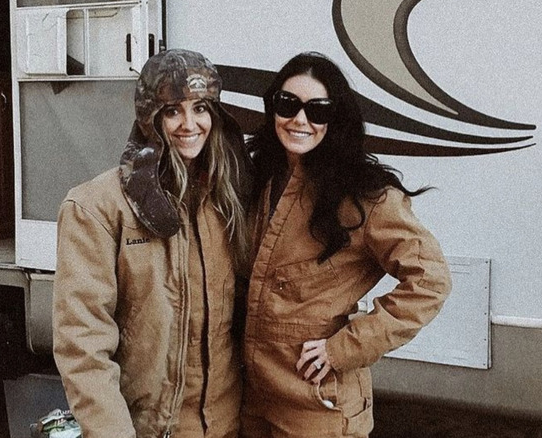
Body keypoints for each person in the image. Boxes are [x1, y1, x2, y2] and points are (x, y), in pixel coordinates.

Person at [240, 52, 453, 438]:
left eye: (317, 110)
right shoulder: (258, 178)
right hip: (251, 399)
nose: (299, 120)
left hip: (317, 406)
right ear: (272, 108)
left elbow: (430, 282)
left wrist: (343, 349)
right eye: (288, 105)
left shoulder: (366, 197)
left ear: (335, 118)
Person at [53, 49, 251, 438]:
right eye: (172, 110)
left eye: (200, 108)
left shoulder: (228, 199)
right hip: (148, 429)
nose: (189, 124)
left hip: (227, 425)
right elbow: (83, 346)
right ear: (149, 117)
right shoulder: (96, 207)